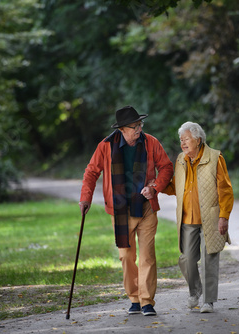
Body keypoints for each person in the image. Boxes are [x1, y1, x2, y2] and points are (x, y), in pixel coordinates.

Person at [79, 106, 173, 316]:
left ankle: (147, 301)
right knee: (126, 257)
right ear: (122, 129)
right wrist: (85, 198)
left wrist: (155, 187)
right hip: (120, 211)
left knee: (147, 256)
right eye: (135, 126)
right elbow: (91, 172)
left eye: (140, 124)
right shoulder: (105, 146)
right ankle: (134, 298)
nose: (139, 129)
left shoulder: (151, 142)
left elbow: (166, 166)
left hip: (146, 207)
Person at [155, 121, 234, 313]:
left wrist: (224, 217)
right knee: (187, 259)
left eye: (186, 139)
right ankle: (195, 290)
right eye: (181, 140)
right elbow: (175, 187)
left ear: (198, 139)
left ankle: (208, 301)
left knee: (209, 259)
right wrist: (158, 183)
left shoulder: (215, 157)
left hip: (211, 218)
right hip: (188, 219)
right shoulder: (181, 160)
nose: (183, 143)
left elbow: (225, 190)